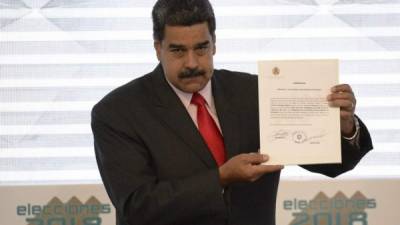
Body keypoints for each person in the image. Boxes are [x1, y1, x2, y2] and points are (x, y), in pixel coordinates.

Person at [91, 0, 373, 225]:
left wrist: (345, 127)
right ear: (157, 49)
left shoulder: (255, 92)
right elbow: (136, 206)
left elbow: (328, 164)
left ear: (215, 43)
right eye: (178, 51)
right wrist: (221, 178)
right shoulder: (117, 112)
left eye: (201, 48)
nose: (192, 62)